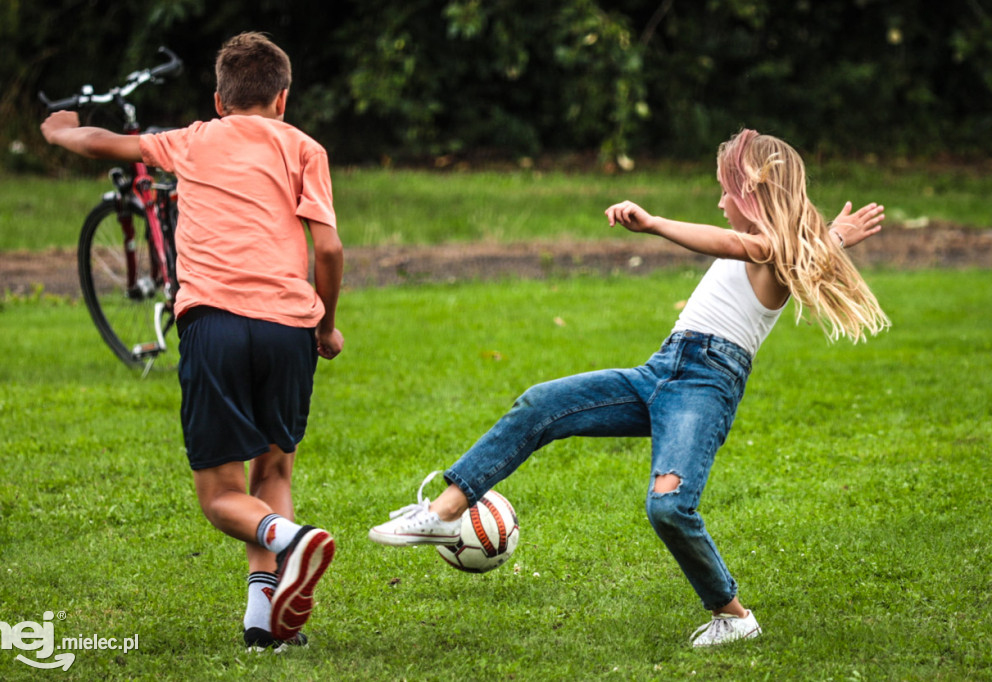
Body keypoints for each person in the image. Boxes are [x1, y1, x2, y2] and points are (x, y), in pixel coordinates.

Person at [369, 129, 890, 647]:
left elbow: (745, 243)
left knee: (669, 508)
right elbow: (798, 249)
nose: (719, 201)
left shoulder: (765, 248)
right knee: (541, 403)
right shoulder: (785, 246)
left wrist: (655, 223)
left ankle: (734, 616)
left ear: (751, 194)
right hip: (660, 370)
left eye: (725, 192)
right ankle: (443, 513)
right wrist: (833, 238)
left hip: (704, 385)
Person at [41, 32, 343, 652]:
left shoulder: (194, 139)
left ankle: (292, 540)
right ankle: (265, 622)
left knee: (219, 496)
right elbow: (330, 248)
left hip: (215, 324)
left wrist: (59, 130)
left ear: (218, 98)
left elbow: (104, 143)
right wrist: (325, 323)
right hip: (290, 327)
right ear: (282, 99)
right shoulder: (305, 148)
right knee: (274, 465)